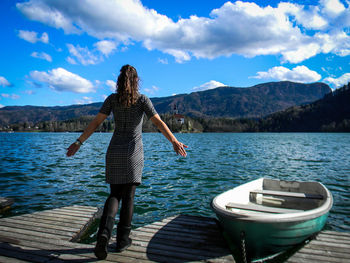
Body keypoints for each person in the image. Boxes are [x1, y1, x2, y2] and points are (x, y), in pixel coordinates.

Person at [66, 64, 188, 260]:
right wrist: (174, 141)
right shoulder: (142, 100)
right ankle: (122, 240)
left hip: (114, 151)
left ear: (119, 80)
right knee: (129, 196)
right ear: (136, 81)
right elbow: (158, 122)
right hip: (133, 152)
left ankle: (103, 235)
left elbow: (96, 122)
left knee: (114, 194)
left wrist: (78, 142)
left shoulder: (112, 99)